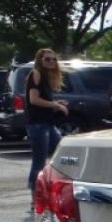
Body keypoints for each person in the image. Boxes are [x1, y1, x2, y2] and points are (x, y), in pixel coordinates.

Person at [25, 48, 68, 208]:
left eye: (53, 59)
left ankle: (53, 191)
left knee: (63, 152)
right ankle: (35, 199)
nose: (51, 62)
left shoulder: (46, 77)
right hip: (37, 125)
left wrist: (57, 104)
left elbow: (43, 100)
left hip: (48, 124)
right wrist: (54, 104)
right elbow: (34, 100)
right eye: (47, 59)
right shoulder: (35, 74)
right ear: (40, 61)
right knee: (39, 162)